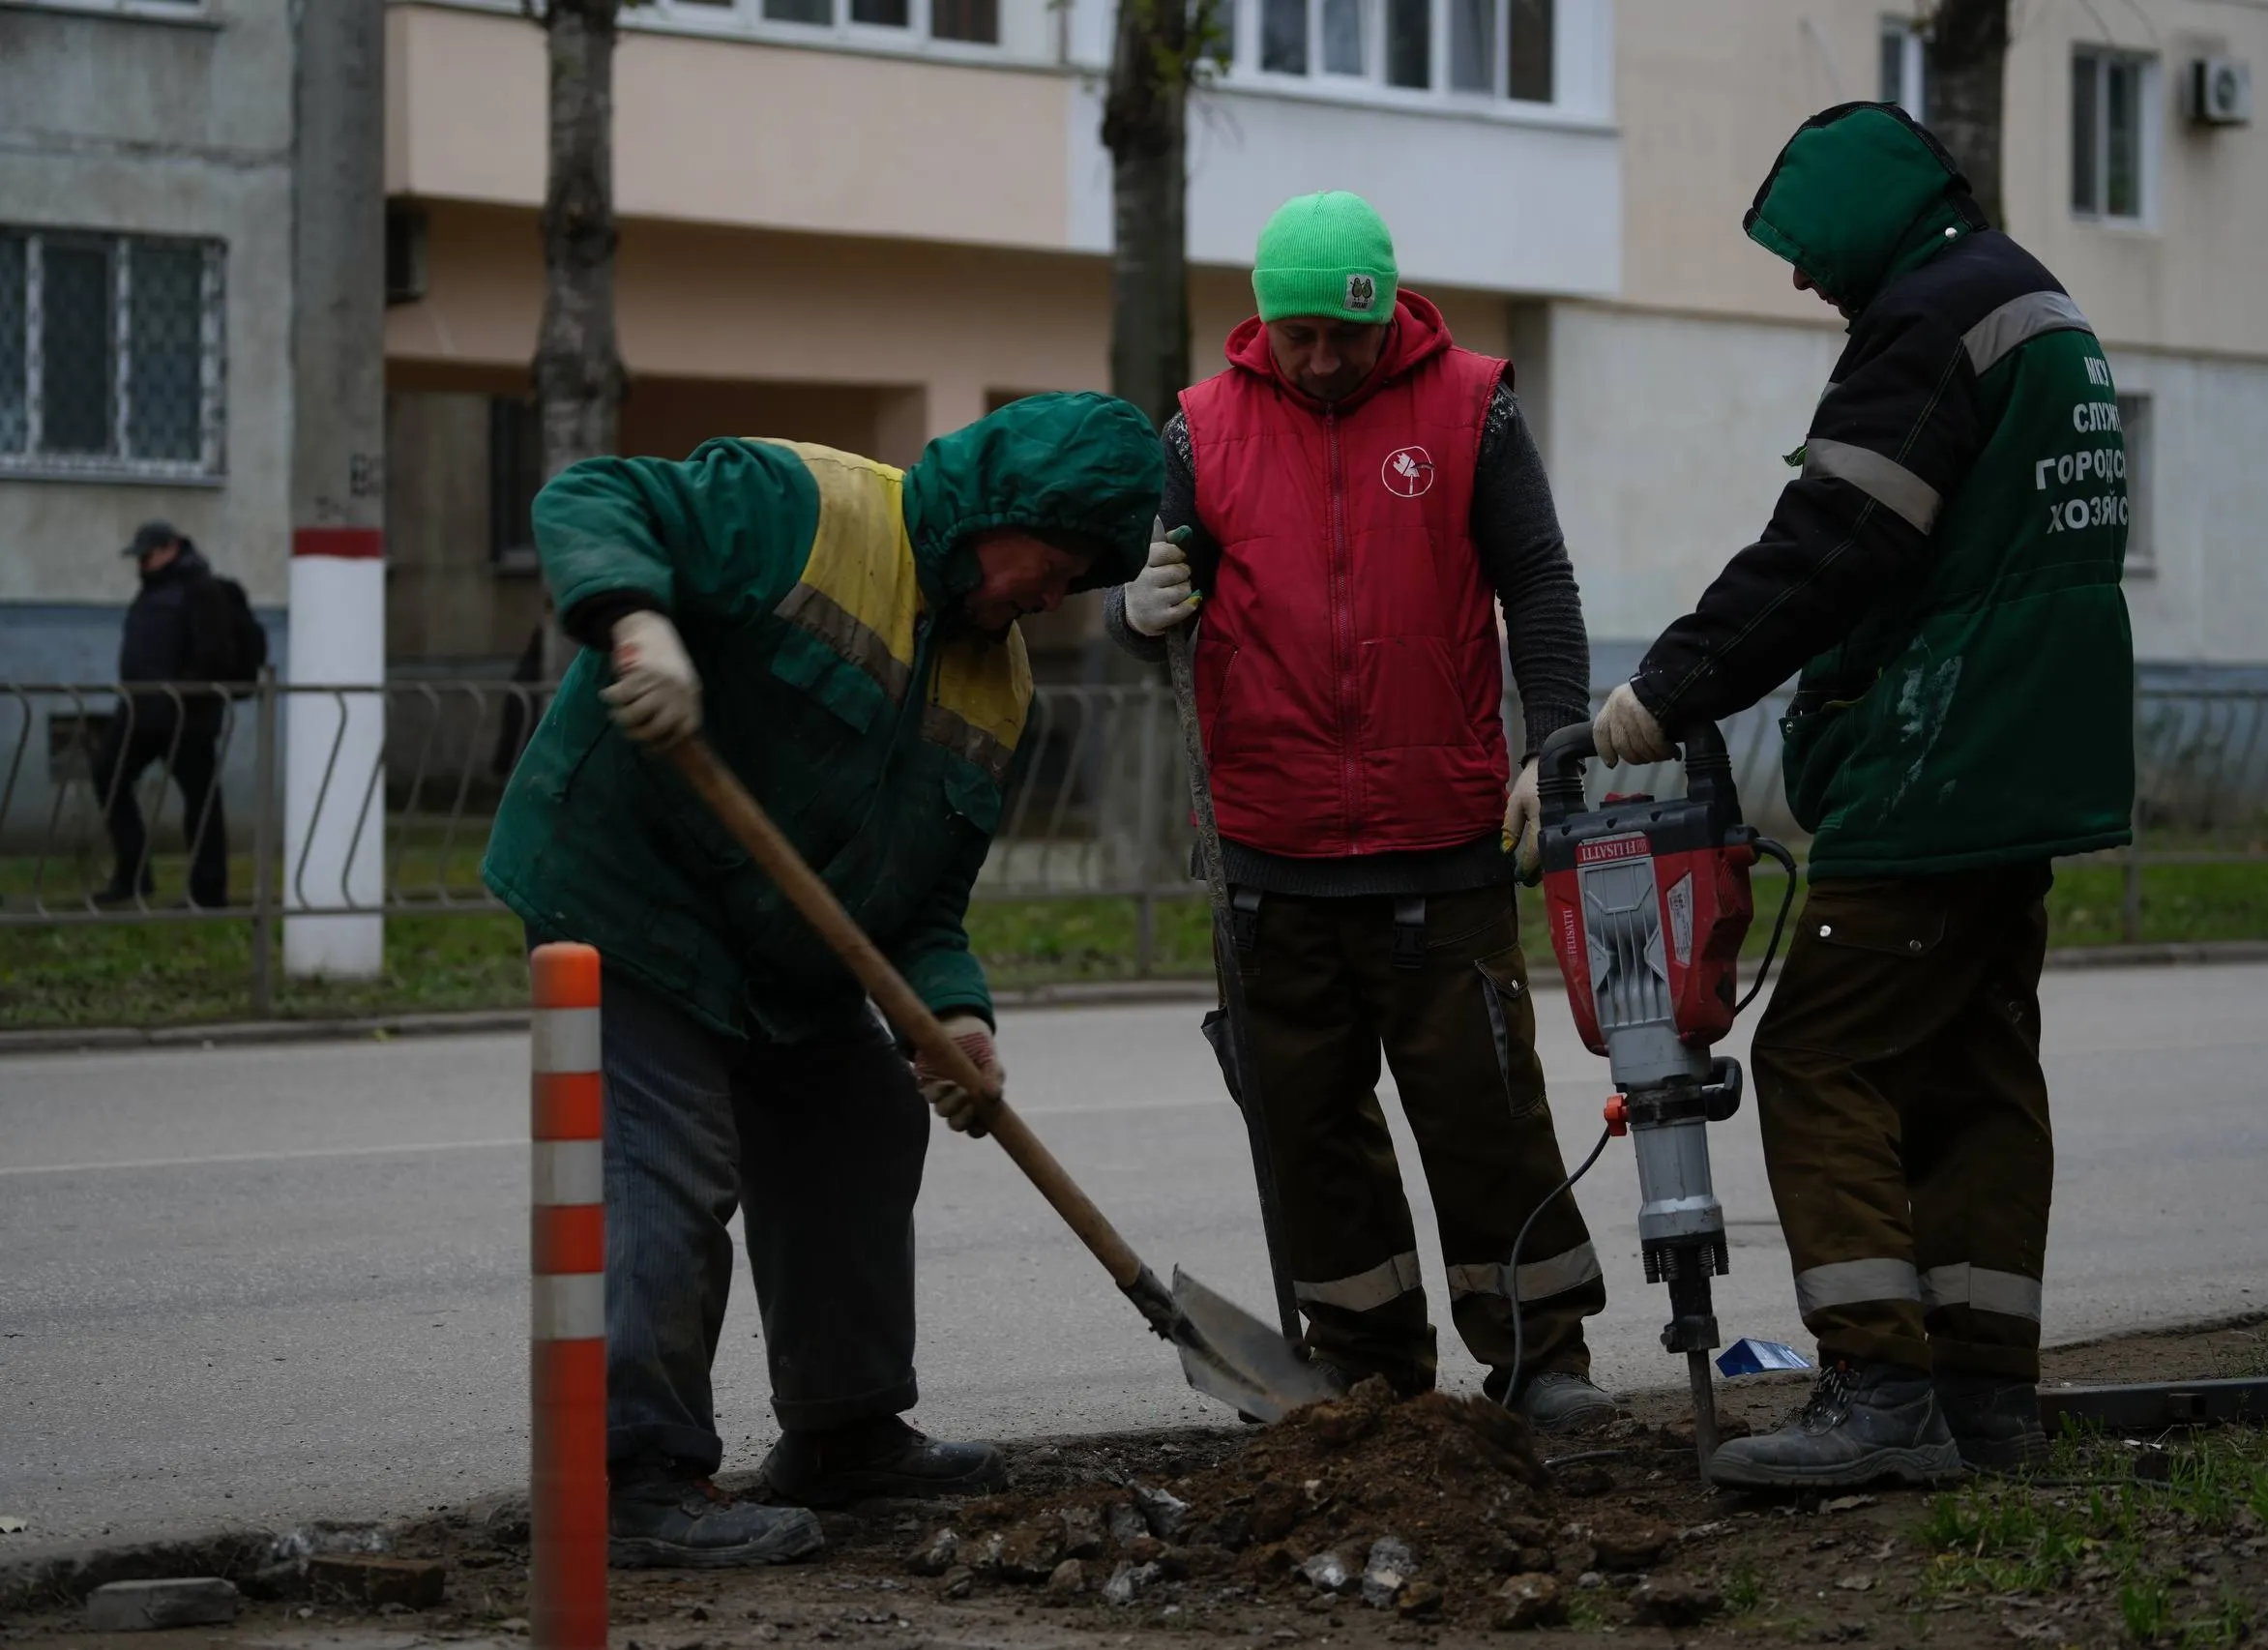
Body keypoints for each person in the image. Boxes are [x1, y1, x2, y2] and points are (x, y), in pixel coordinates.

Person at [482, 392, 1163, 1566]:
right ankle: (631, 1478)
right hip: (626, 896)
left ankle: (842, 1431)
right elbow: (593, 495)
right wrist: (638, 622)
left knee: (858, 1120)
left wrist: (953, 1013)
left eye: (1076, 583)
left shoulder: (997, 684)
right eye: (1051, 568)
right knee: (664, 1154)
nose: (1051, 600)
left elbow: (925, 898)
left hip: (780, 946)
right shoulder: (807, 506)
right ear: (1002, 510)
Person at [1594, 104, 2135, 1487]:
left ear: (1861, 218)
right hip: (2032, 760)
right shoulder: (2036, 305)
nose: (1799, 276)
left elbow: (1834, 541)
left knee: (1819, 1055)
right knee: (1974, 1067)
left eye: (1805, 245)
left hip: (1941, 757)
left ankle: (1880, 1393)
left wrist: (1663, 693)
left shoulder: (1928, 319)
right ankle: (1985, 1395)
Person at [1082, 190, 1610, 1431]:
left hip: (1445, 845)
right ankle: (1368, 1365)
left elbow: (1539, 584)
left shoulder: (1472, 408)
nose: (1322, 360)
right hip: (1269, 857)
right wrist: (1129, 611)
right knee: (1309, 1135)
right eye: (1299, 335)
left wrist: (1554, 749)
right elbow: (1151, 597)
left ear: (1390, 315)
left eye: (1347, 336)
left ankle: (1541, 1356)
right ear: (1264, 321)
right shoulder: (1200, 429)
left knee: (1485, 1115)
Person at [92, 521, 241, 907]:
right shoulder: (152, 589)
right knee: (108, 775)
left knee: (201, 801)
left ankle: (208, 891)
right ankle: (133, 875)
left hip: (185, 715)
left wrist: (180, 692)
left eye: (147, 555)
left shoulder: (201, 589)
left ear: (170, 549)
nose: (141, 563)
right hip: (140, 710)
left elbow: (214, 654)